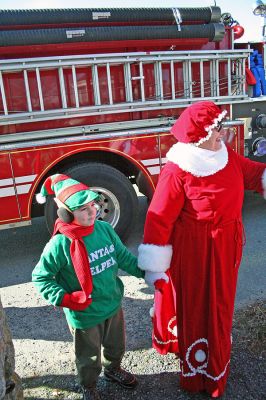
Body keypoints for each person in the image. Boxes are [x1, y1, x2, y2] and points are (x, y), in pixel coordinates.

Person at [138, 101, 266, 398]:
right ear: (202, 133)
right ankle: (200, 374)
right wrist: (155, 267)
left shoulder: (224, 155)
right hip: (196, 252)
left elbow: (251, 173)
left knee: (220, 305)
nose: (224, 133)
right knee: (199, 308)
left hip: (226, 247)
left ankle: (218, 354)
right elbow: (158, 218)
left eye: (222, 127)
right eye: (218, 128)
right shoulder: (178, 169)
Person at [32, 174, 145, 400]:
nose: (92, 211)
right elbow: (40, 277)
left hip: (112, 303)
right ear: (65, 213)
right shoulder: (60, 244)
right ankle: (88, 384)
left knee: (116, 345)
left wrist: (148, 272)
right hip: (84, 313)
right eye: (83, 209)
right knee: (88, 356)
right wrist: (65, 298)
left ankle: (113, 369)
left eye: (92, 204)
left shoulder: (104, 229)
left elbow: (122, 257)